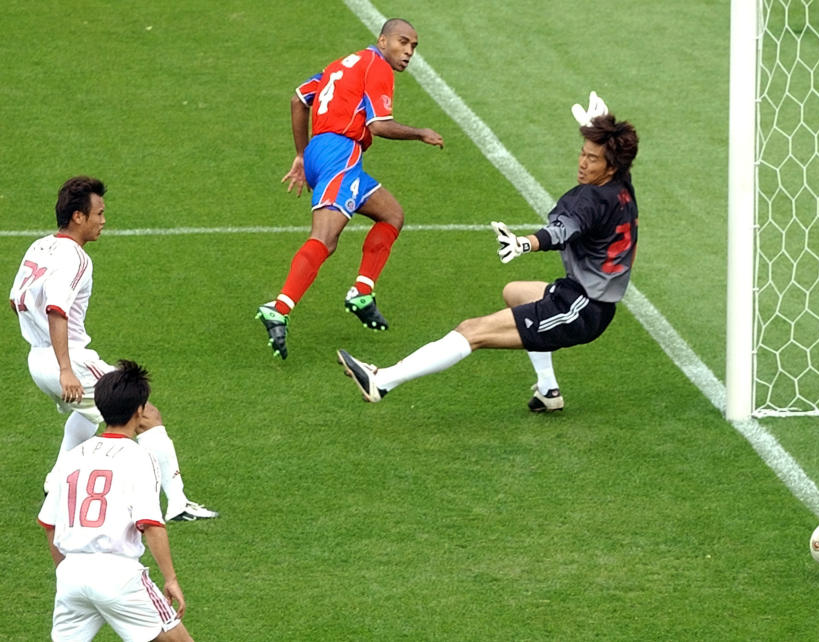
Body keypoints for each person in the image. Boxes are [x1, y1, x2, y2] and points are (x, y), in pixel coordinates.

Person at [336, 95, 638, 412]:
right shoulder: (622, 184)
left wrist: (525, 243)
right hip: (585, 297)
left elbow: (561, 231)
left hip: (581, 308)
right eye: (583, 153)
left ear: (611, 166)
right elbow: (614, 158)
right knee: (516, 292)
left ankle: (382, 381)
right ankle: (549, 392)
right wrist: (597, 129)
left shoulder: (590, 201)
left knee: (472, 331)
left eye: (593, 159)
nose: (582, 162)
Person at [9, 176, 217, 521]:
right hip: (67, 359)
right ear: (79, 216)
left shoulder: (39, 247)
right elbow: (56, 309)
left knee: (85, 414)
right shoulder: (76, 258)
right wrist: (65, 369)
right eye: (99, 213)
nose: (104, 221)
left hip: (37, 359)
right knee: (145, 413)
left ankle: (57, 480)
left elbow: (17, 300)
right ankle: (178, 502)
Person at [256, 17, 445, 359]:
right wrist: (420, 133)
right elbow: (379, 124)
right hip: (340, 154)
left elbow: (299, 99)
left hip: (324, 153)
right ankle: (279, 308)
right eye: (403, 42)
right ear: (383, 40)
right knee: (324, 239)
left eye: (413, 46)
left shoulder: (341, 65)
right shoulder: (377, 66)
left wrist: (302, 155)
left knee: (391, 214)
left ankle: (362, 291)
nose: (408, 51)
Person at [38, 360, 194, 641]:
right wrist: (170, 579)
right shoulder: (139, 456)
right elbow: (151, 524)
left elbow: (48, 524)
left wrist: (67, 573)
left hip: (71, 573)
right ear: (139, 411)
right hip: (119, 576)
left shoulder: (73, 457)